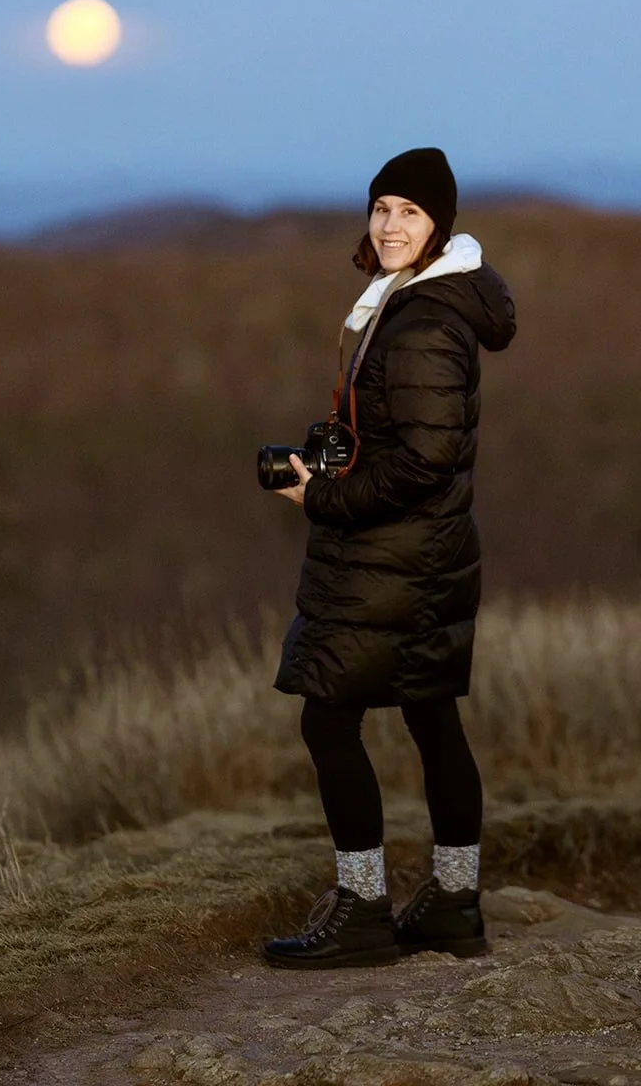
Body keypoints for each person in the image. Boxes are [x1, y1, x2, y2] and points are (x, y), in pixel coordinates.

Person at [262, 147, 517, 970]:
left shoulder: (424, 321)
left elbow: (425, 461)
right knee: (430, 716)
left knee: (328, 718)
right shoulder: (410, 304)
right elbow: (406, 438)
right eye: (381, 209)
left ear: (439, 224)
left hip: (396, 557)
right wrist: (334, 451)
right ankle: (453, 903)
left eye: (409, 211)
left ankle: (364, 908)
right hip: (425, 552)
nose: (390, 225)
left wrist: (324, 498)